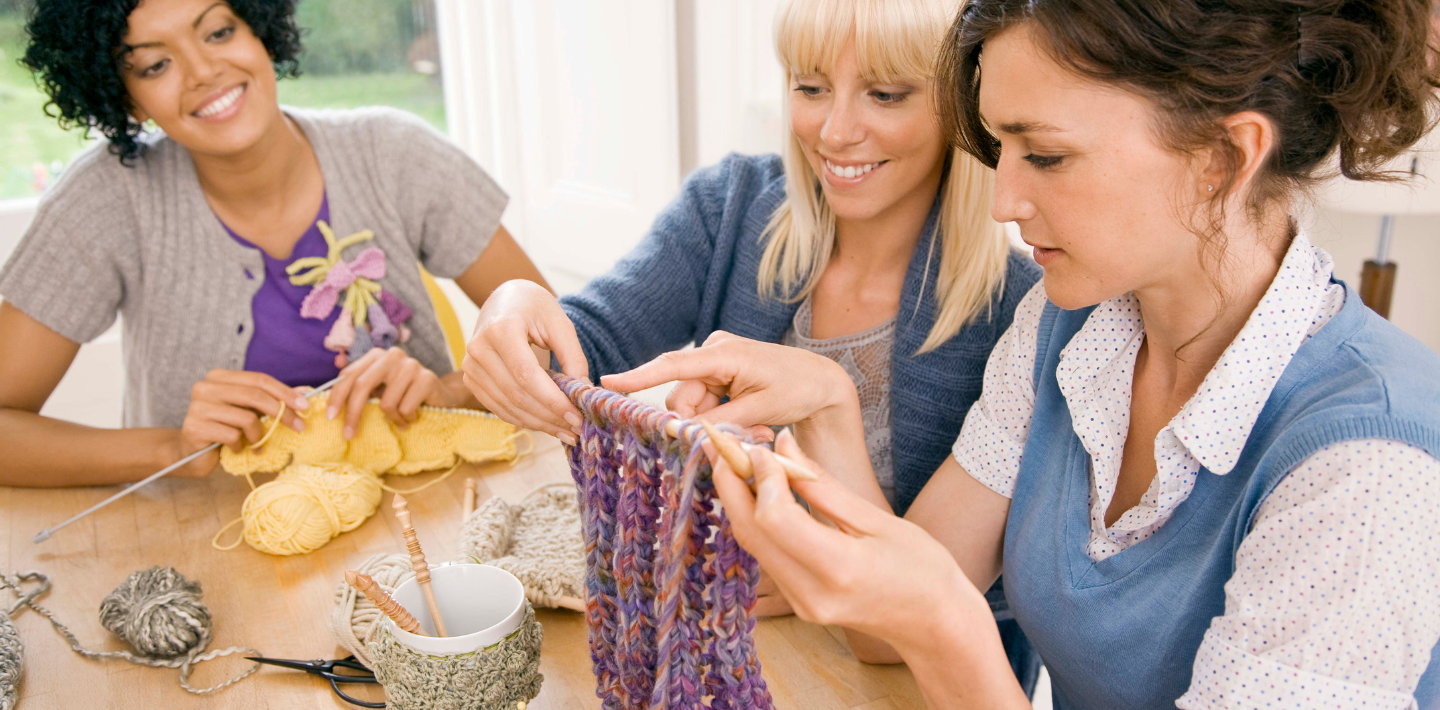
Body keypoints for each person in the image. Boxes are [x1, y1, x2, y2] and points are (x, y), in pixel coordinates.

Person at [604, 0, 1440, 707]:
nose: (1005, 199)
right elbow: (880, 634)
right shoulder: (1068, 328)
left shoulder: (1370, 464)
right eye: (1001, 149)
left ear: (1223, 158)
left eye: (1046, 155)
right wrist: (826, 406)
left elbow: (928, 612)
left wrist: (948, 628)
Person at [461, 0, 1042, 689]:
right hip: (725, 649)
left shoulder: (1021, 315)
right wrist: (513, 304)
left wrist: (802, 573)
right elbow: (578, 347)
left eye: (886, 94)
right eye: (810, 86)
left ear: (965, 106)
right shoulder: (730, 209)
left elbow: (924, 613)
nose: (835, 130)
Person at [0, 0, 549, 486]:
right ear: (127, 99)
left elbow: (557, 341)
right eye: (155, 65)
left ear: (259, 29)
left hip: (425, 515)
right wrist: (171, 448)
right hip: (204, 539)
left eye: (218, 32)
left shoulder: (396, 155)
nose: (204, 71)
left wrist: (452, 393)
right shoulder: (105, 200)